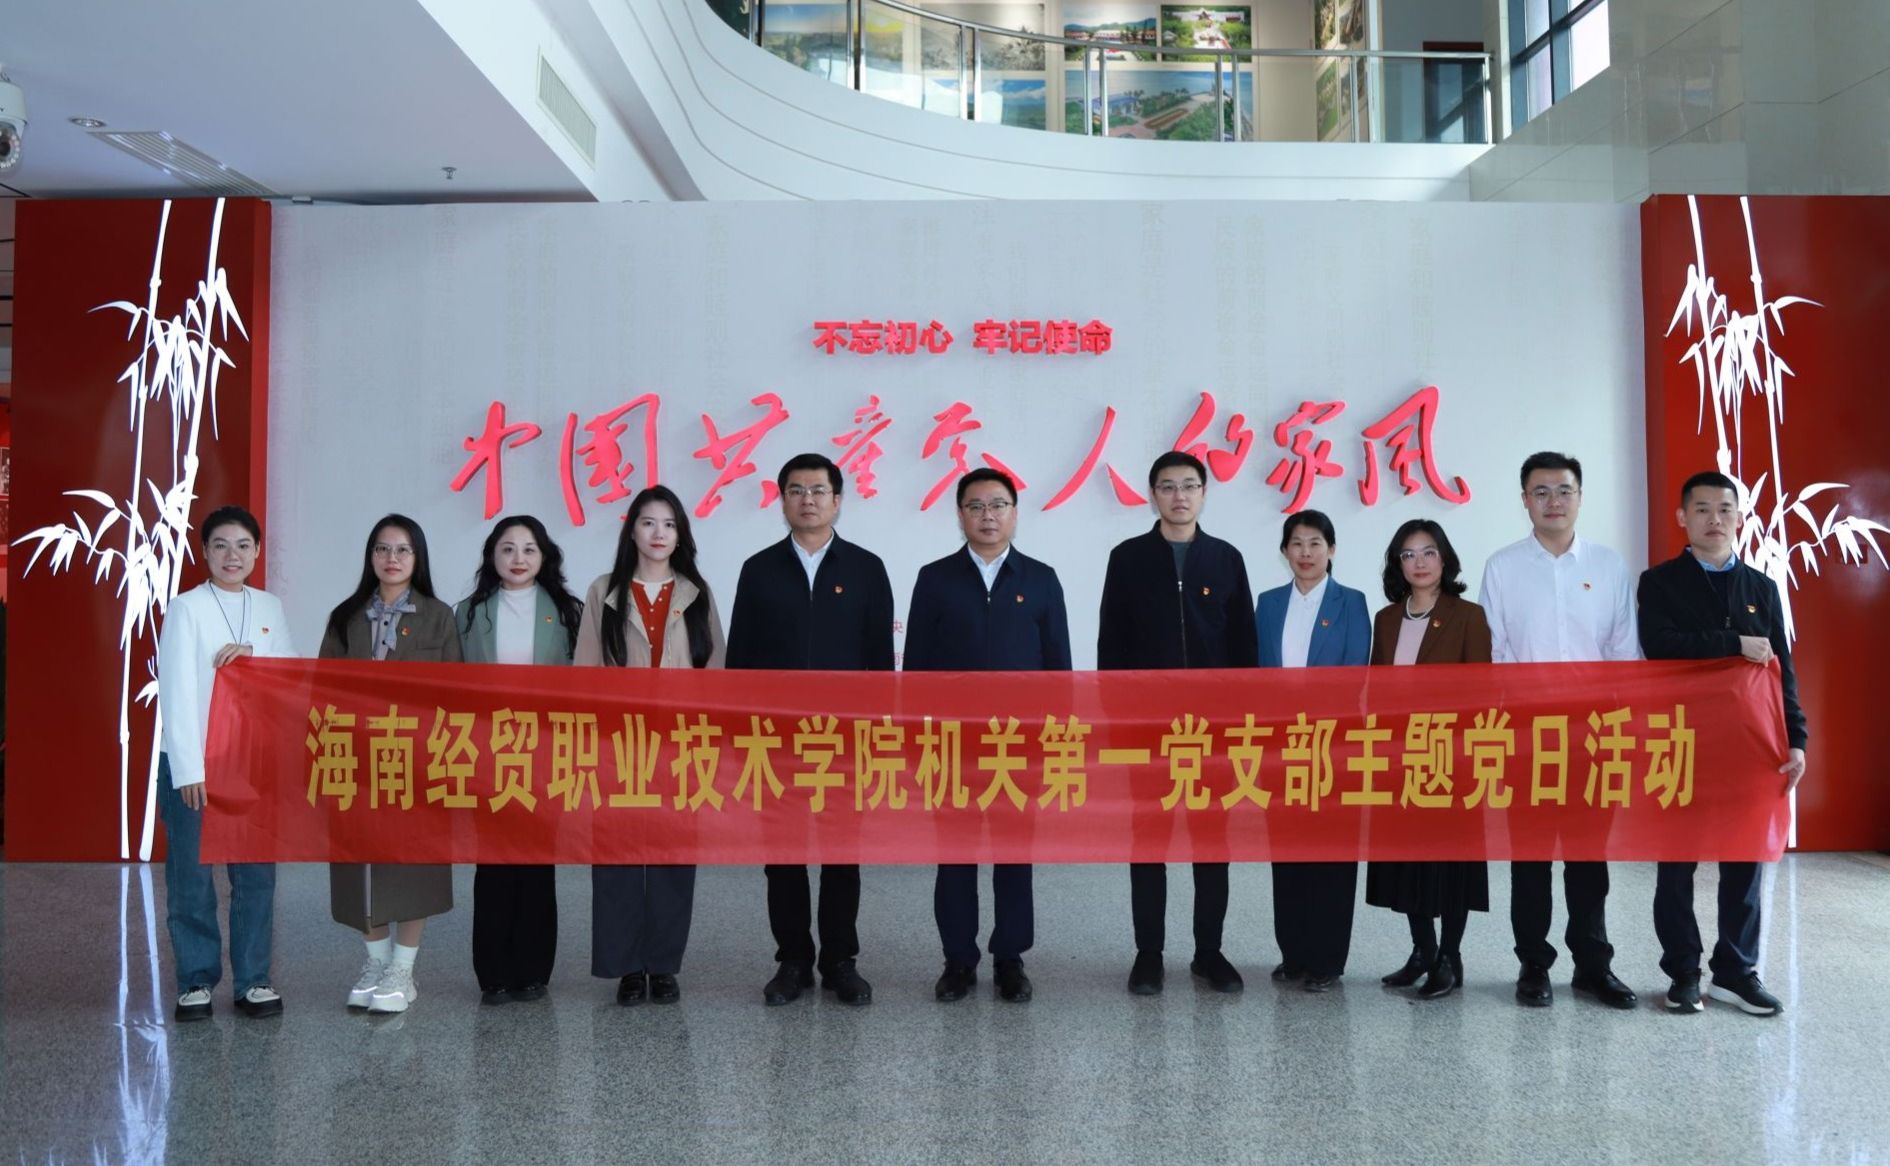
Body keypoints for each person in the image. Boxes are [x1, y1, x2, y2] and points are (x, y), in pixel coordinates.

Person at [726, 453, 894, 1006]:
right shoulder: (758, 569)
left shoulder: (866, 568)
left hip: (845, 741)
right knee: (783, 855)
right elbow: (741, 661)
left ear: (837, 500)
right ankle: (793, 960)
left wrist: (877, 735)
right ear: (783, 501)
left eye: (819, 490)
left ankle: (841, 960)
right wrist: (741, 735)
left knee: (843, 853)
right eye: (796, 490)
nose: (808, 500)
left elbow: (879, 662)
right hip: (776, 741)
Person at [1637, 471, 1807, 1016]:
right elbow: (1659, 646)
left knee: (1745, 859)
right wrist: (1733, 643)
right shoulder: (1659, 582)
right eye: (1703, 509)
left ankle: (1736, 972)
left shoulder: (1762, 587)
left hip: (1751, 743)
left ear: (1739, 517)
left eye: (1725, 509)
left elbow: (1782, 669)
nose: (1715, 519)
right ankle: (1683, 972)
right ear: (1682, 517)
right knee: (1676, 863)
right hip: (1681, 739)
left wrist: (1796, 738)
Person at [1479, 451, 1641, 1010]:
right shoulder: (1502, 567)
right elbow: (1495, 654)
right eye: (1541, 492)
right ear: (1525, 500)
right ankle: (1533, 964)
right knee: (1530, 857)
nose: (1554, 501)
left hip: (1594, 733)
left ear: (1580, 497)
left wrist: (1623, 728)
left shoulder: (1608, 565)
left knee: (1589, 856)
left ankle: (1594, 965)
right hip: (1527, 734)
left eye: (1564, 490)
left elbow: (1624, 651)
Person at [904, 468, 1071, 1005]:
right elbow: (917, 668)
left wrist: (1054, 742)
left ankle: (1010, 959)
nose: (988, 515)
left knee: (1014, 854)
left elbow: (1059, 669)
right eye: (975, 506)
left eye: (998, 505)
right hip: (952, 744)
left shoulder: (1041, 579)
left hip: (1018, 747)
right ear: (960, 515)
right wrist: (918, 742)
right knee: (954, 855)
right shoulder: (935, 578)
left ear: (1014, 513)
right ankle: (958, 959)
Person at [1098, 451, 1258, 996]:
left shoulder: (1226, 559)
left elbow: (1244, 648)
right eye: (1167, 486)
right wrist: (1118, 723)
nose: (1179, 496)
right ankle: (1149, 953)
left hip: (1213, 733)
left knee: (1212, 843)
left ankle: (1209, 952)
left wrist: (1242, 727)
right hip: (1148, 730)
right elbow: (1111, 646)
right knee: (1149, 842)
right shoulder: (1127, 558)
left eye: (1189, 485)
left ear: (1204, 494)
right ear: (1153, 495)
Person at [576, 485, 726, 1006]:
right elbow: (586, 673)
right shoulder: (604, 591)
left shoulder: (696, 593)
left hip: (680, 746)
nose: (658, 533)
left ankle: (662, 965)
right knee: (617, 858)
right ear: (632, 531)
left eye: (669, 524)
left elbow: (716, 675)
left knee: (672, 858)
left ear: (680, 534)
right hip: (619, 746)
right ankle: (625, 967)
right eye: (648, 522)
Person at [156, 505, 297, 1021]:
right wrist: (189, 768)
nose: (232, 555)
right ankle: (195, 981)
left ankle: (253, 980)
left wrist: (254, 658)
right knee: (192, 876)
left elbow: (288, 677)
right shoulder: (186, 608)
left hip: (251, 763)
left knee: (255, 877)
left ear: (257, 551)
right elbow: (176, 689)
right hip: (196, 763)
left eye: (242, 545)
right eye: (220, 545)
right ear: (205, 552)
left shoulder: (269, 606)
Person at [320, 514, 462, 1014]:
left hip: (416, 758)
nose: (392, 558)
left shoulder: (438, 616)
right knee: (359, 863)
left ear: (417, 558)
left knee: (412, 865)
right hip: (356, 758)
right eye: (382, 549)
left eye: (403, 549)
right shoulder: (346, 616)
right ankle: (376, 963)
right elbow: (323, 690)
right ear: (371, 557)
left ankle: (403, 969)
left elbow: (455, 693)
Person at [454, 515, 583, 1006]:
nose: (518, 558)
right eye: (507, 548)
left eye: (529, 549)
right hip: (487, 750)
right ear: (492, 556)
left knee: (536, 862)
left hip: (545, 750)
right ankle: (493, 973)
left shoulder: (567, 611)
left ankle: (532, 970)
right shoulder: (468, 613)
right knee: (492, 864)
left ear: (544, 557)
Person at [1365, 518, 1491, 1000]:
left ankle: (1449, 958)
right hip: (1401, 758)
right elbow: (1376, 688)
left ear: (1445, 559)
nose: (1419, 562)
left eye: (1428, 552)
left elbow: (1480, 690)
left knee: (1452, 862)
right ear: (1398, 564)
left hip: (1451, 758)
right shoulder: (1386, 619)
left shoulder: (1467, 615)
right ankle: (1423, 949)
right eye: (1408, 554)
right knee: (1408, 859)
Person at [1254, 509, 1370, 993]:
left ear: (1332, 550)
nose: (1306, 553)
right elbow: (1257, 676)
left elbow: (1354, 675)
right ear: (1285, 551)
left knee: (1332, 855)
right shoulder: (1268, 603)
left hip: (1332, 747)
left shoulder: (1352, 602)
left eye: (1315, 543)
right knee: (1287, 852)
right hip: (1280, 749)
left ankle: (1327, 959)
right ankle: (1294, 953)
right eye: (1297, 543)